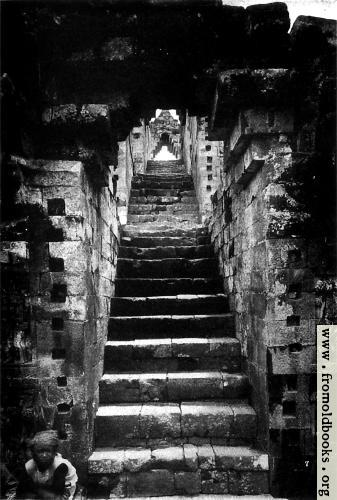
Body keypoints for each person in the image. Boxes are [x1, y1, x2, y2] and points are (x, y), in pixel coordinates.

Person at [16, 430, 78, 500]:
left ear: (54, 452)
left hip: (63, 491)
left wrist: (35, 490)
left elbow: (56, 494)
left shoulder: (60, 465)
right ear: (33, 453)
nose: (44, 455)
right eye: (40, 451)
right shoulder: (29, 466)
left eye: (48, 451)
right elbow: (20, 491)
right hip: (45, 490)